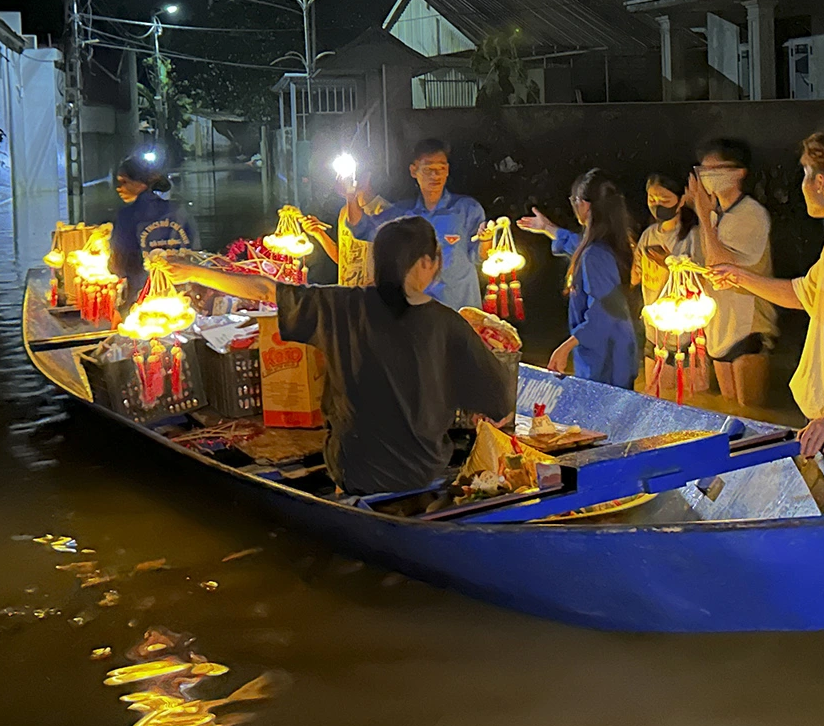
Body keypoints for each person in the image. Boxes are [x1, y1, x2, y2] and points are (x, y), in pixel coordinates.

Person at [162, 217, 513, 497]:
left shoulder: (340, 305)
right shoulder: (450, 323)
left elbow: (266, 289)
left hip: (354, 469)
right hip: (426, 468)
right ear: (426, 262)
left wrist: (194, 272)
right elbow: (501, 402)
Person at [709, 129, 824, 457]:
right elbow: (802, 294)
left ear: (822, 182)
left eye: (805, 174)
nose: (803, 185)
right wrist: (740, 277)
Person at [516, 170, 639, 388]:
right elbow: (576, 244)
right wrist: (547, 229)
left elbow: (603, 312)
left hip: (607, 359)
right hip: (616, 351)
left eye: (574, 200)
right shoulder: (608, 243)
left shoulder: (595, 254)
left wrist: (566, 347)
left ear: (585, 205)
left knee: (601, 417)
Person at [686, 137, 777, 407]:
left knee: (752, 414)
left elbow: (720, 264)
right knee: (729, 411)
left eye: (715, 170)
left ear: (739, 172)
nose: (707, 178)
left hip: (749, 325)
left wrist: (702, 215)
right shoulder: (715, 215)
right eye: (702, 171)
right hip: (720, 324)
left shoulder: (751, 214)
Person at [345, 138, 487, 311]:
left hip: (461, 311)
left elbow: (480, 255)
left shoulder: (467, 209)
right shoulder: (402, 214)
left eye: (441, 168)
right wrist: (350, 196)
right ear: (414, 171)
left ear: (447, 170)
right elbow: (363, 229)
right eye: (428, 169)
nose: (435, 175)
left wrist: (487, 240)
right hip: (417, 313)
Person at [635, 172, 700, 395]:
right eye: (652, 199)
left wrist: (670, 262)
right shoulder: (648, 236)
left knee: (690, 398)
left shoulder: (693, 236)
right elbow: (635, 276)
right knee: (655, 395)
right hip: (654, 332)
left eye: (664, 200)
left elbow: (703, 277)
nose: (657, 205)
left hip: (686, 336)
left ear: (681, 200)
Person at [108, 155, 197, 302]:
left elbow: (119, 263)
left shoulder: (128, 215)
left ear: (141, 184)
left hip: (143, 295)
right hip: (182, 293)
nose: (119, 188)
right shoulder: (180, 210)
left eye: (124, 182)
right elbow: (195, 251)